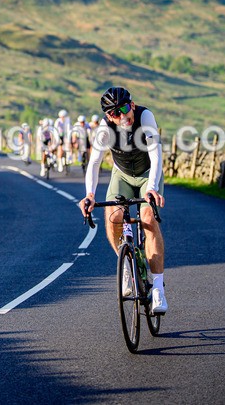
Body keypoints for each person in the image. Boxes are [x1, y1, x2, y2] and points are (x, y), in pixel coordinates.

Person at [80, 87, 168, 314]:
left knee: (148, 219)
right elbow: (95, 163)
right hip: (122, 176)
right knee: (113, 217)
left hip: (148, 174)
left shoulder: (144, 116)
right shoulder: (105, 129)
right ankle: (127, 265)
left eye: (125, 109)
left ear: (132, 104)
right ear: (108, 116)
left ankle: (158, 288)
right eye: (115, 113)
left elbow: (155, 153)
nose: (122, 116)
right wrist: (90, 195)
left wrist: (151, 188)